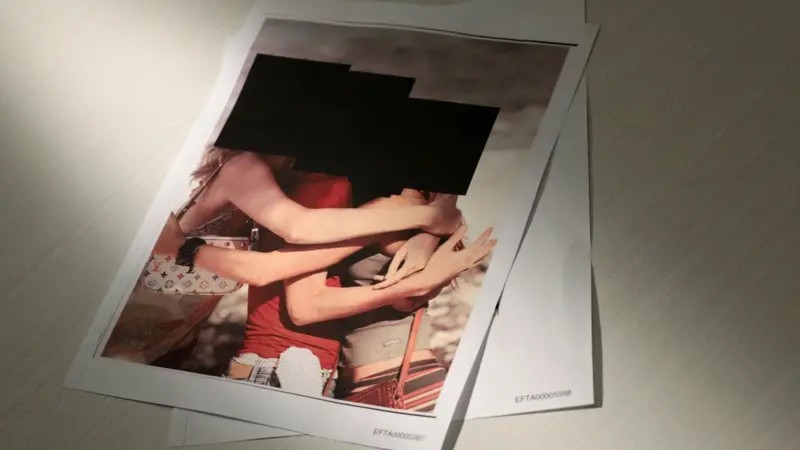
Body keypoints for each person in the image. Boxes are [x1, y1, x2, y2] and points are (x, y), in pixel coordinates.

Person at [103, 146, 462, 364]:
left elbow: (287, 257)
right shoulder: (244, 166)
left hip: (170, 345)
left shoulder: (291, 179)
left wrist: (426, 226)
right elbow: (297, 230)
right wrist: (425, 218)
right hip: (119, 333)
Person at [284, 190, 490, 410]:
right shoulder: (434, 221)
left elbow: (305, 307)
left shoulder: (393, 211)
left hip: (402, 385)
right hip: (392, 382)